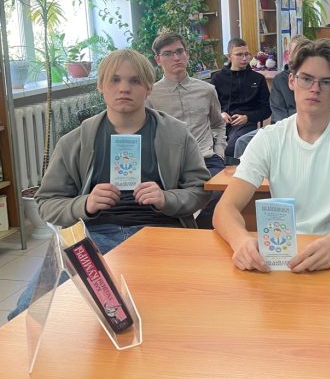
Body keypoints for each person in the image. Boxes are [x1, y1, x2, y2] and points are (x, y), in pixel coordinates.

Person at [8, 49, 211, 319]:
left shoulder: (176, 134)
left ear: (149, 87)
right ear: (100, 86)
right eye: (115, 80)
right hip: (93, 238)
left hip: (162, 233)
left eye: (134, 81)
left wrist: (167, 198)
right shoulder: (74, 142)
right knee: (26, 311)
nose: (124, 88)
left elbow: (200, 190)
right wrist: (85, 204)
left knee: (183, 310)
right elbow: (47, 202)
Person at [213, 38, 330, 273]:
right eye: (306, 79)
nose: (315, 89)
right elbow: (225, 209)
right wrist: (240, 240)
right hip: (283, 255)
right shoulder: (269, 138)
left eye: (325, 81)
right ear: (292, 81)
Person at [147, 32, 226, 229]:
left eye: (179, 51)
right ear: (158, 60)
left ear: (187, 54)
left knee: (220, 194)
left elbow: (218, 123)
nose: (176, 57)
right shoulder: (150, 95)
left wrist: (220, 151)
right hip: (171, 163)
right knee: (163, 201)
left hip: (207, 158)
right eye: (168, 54)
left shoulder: (207, 90)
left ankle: (197, 233)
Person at [211, 38, 271, 162]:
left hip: (246, 124)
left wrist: (247, 117)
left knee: (230, 148)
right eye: (239, 55)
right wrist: (220, 113)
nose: (244, 58)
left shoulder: (258, 79)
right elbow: (209, 107)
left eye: (246, 54)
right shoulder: (217, 79)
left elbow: (267, 110)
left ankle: (231, 171)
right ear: (229, 56)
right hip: (221, 124)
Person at [270, 34, 310, 123]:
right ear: (289, 54)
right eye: (296, 53)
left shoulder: (315, 78)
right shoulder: (279, 80)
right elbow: (278, 114)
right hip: (285, 126)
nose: (300, 57)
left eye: (303, 53)